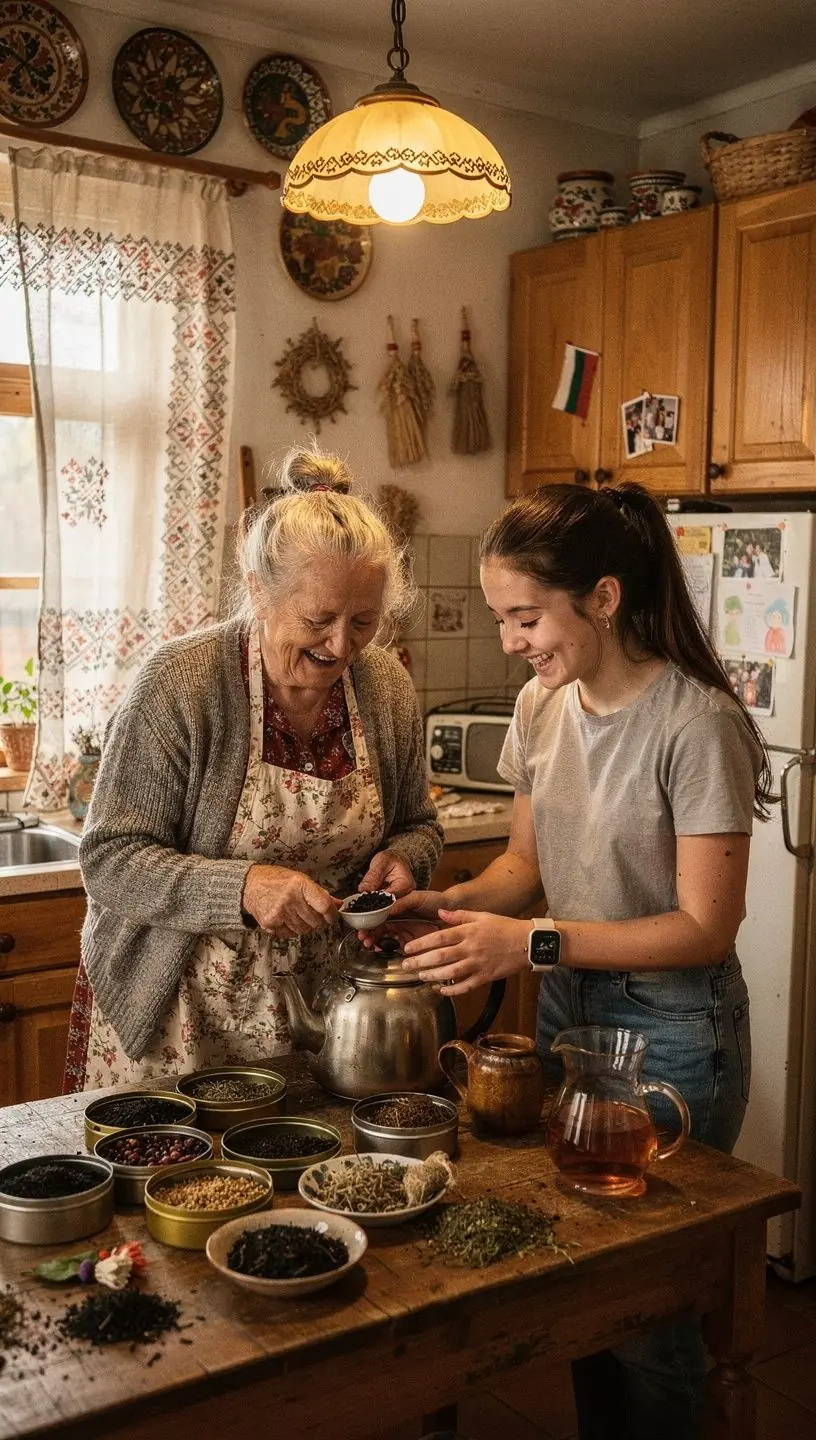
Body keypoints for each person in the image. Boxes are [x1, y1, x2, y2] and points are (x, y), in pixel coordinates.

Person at [390, 482, 771, 1440]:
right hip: (571, 1009)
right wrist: (449, 902)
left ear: (602, 598)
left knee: (652, 1306)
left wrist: (530, 944)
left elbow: (705, 926)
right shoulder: (541, 706)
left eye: (527, 617)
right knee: (590, 1290)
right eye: (502, 619)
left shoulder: (697, 723)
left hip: (675, 1027)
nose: (513, 641)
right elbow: (526, 866)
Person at [64, 445, 442, 1092]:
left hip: (328, 1011)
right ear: (257, 592)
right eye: (318, 620)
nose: (342, 646)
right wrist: (242, 889)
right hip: (182, 1014)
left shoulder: (385, 687)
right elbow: (110, 861)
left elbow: (420, 825)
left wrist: (408, 858)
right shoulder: (180, 685)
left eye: (364, 622)